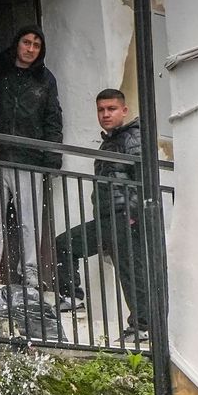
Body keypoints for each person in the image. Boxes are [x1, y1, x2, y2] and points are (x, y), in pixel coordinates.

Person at [54, 89, 152, 340]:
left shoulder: (133, 138)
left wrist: (132, 215)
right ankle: (71, 298)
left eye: (111, 109)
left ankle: (142, 326)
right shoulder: (111, 141)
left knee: (131, 271)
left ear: (124, 110)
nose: (105, 114)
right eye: (101, 110)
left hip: (125, 218)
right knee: (64, 244)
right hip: (107, 219)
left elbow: (144, 178)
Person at [0, 26, 63, 286]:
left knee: (29, 221)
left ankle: (30, 272)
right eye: (26, 42)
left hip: (30, 159)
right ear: (16, 43)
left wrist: (52, 156)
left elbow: (53, 118)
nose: (30, 49)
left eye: (36, 45)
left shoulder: (45, 78)